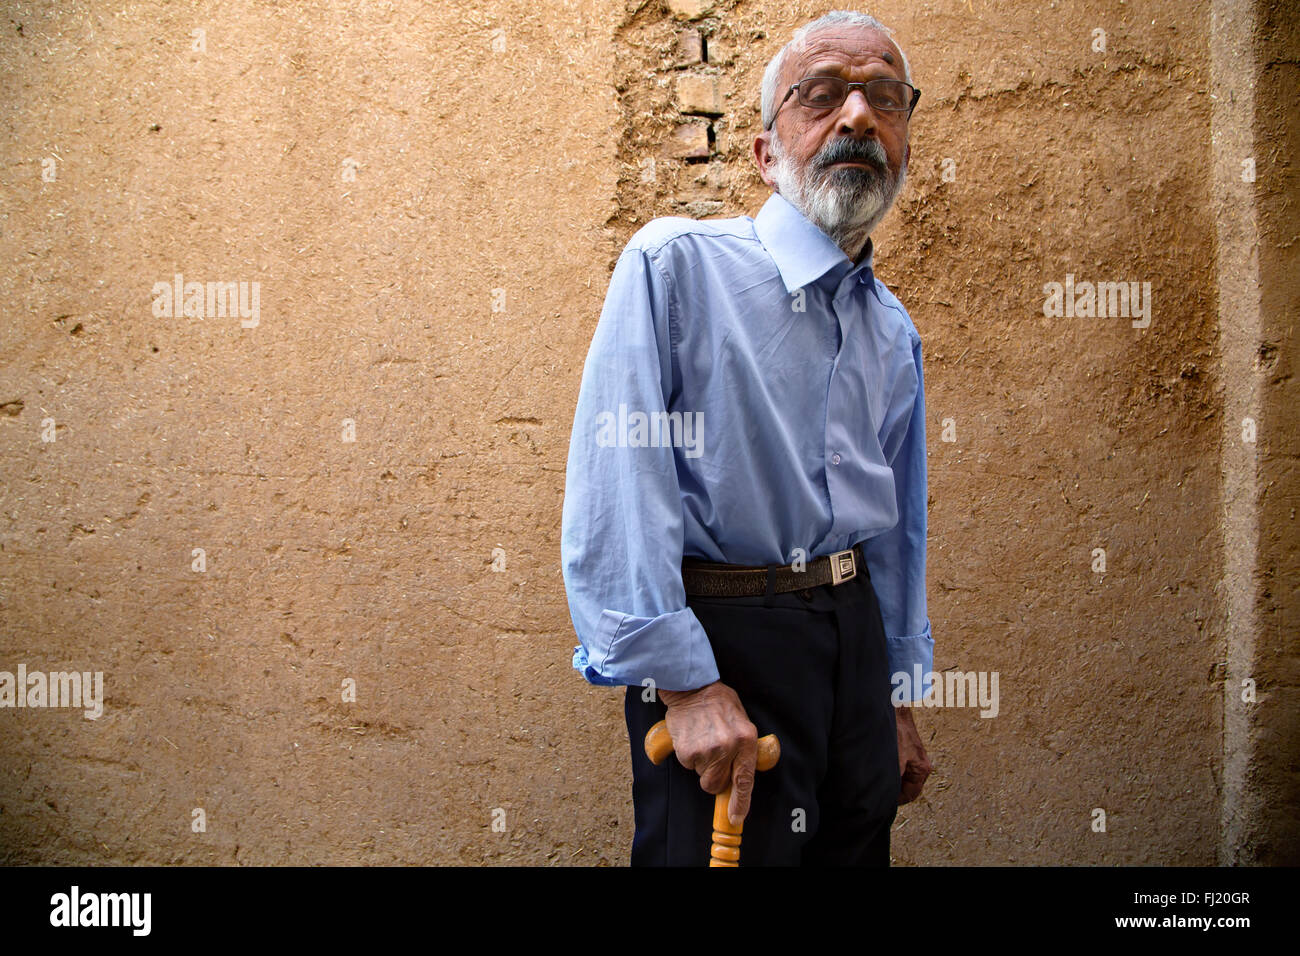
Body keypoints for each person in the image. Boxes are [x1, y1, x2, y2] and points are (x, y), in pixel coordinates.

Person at [561, 9, 934, 866]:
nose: (857, 117)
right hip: (727, 641)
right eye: (821, 95)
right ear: (766, 154)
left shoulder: (892, 329)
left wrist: (896, 696)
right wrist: (684, 684)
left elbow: (897, 533)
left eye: (885, 96)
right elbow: (621, 488)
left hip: (855, 647)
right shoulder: (676, 268)